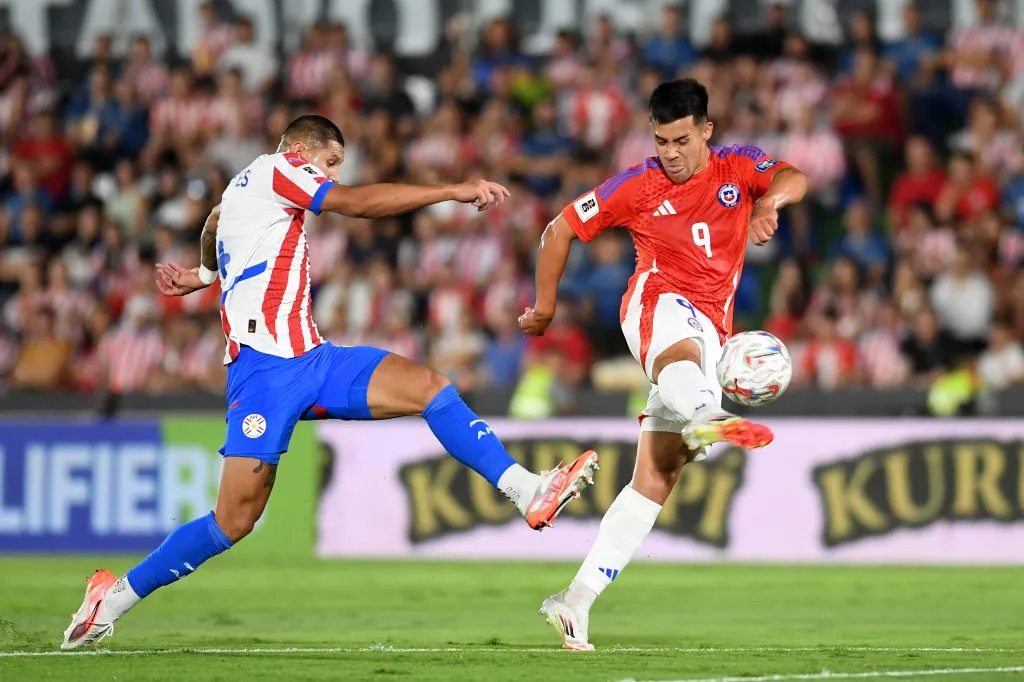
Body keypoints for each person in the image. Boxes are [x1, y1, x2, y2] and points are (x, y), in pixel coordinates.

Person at [61, 115, 600, 649]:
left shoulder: (245, 186)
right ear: (302, 149)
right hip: (264, 373)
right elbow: (357, 203)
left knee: (431, 387)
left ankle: (527, 489)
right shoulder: (279, 169)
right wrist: (452, 190)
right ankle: (111, 599)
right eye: (332, 162)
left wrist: (205, 275)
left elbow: (214, 221)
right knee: (233, 521)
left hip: (315, 361)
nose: (333, 174)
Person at [519, 79, 807, 650]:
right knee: (685, 348)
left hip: (710, 330)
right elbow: (558, 230)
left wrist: (769, 203)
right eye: (660, 140)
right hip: (656, 304)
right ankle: (708, 413)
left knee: (655, 477)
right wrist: (547, 306)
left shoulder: (738, 168)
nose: (670, 152)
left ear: (706, 130)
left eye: (680, 139)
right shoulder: (638, 185)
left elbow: (793, 177)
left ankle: (574, 601)